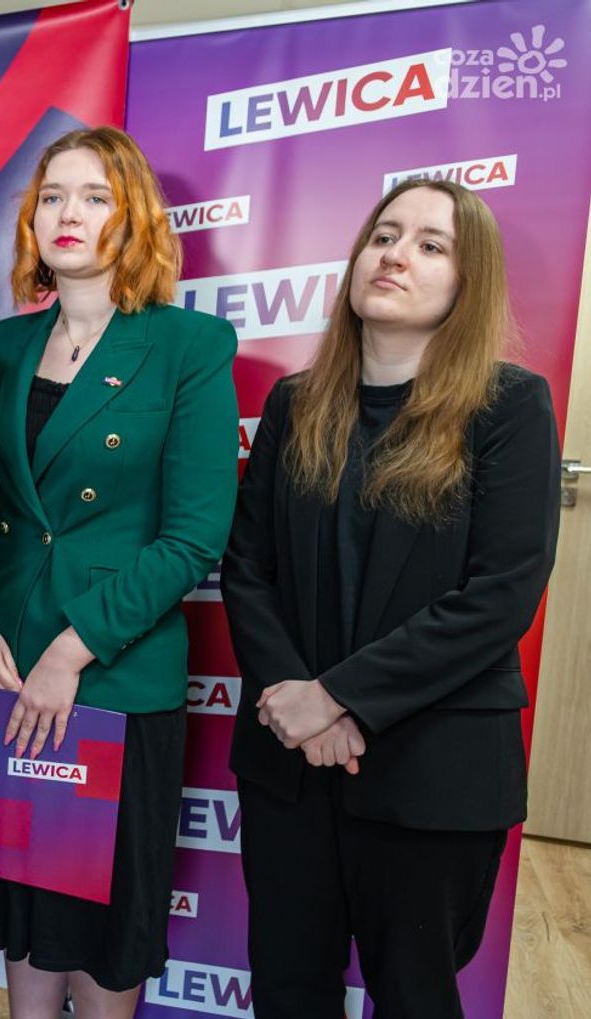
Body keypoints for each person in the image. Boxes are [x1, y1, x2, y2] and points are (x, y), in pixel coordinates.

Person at [0, 127, 240, 1019]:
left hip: (109, 677)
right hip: (1, 669)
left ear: (133, 218)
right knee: (25, 906)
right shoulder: (7, 343)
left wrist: (73, 650)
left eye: (96, 196)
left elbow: (194, 536)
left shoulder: (190, 343)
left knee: (98, 922)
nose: (70, 212)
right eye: (53, 195)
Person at [221, 179, 559, 1018]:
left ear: (467, 283)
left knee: (414, 997)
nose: (396, 255)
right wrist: (298, 702)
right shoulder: (295, 403)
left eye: (430, 245)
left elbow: (500, 594)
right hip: (290, 765)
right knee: (288, 990)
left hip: (432, 768)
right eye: (384, 235)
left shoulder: (510, 406)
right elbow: (248, 569)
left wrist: (337, 697)